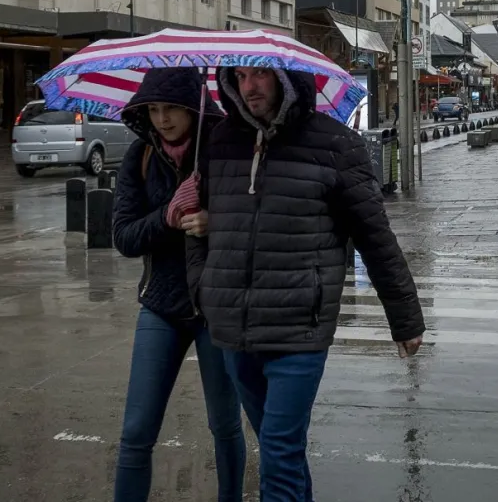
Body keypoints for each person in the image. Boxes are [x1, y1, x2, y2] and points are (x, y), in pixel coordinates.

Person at [187, 66, 426, 502]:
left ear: (288, 80)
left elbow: (374, 236)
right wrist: (203, 287)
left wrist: (405, 318)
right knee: (283, 450)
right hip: (234, 328)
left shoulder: (336, 143)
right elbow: (199, 227)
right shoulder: (221, 141)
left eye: (261, 75)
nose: (249, 86)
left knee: (278, 451)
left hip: (300, 324)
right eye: (239, 77)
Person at [112, 68, 245, 502]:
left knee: (224, 425)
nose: (162, 119)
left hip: (216, 307)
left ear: (193, 107)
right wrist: (169, 214)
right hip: (162, 306)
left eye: (171, 108)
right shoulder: (140, 157)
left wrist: (214, 221)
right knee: (136, 431)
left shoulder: (227, 149)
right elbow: (125, 237)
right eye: (152, 109)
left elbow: (256, 221)